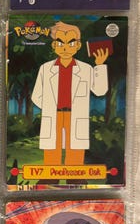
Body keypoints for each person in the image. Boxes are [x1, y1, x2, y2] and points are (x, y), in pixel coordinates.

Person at [31, 21, 109, 165]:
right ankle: (51, 174)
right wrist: (50, 107)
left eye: (71, 43)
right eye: (60, 43)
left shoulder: (86, 69)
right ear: (54, 45)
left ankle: (74, 173)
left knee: (75, 150)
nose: (65, 48)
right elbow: (36, 95)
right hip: (53, 115)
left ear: (78, 46)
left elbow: (100, 91)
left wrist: (99, 65)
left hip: (75, 116)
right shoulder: (45, 69)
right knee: (52, 150)